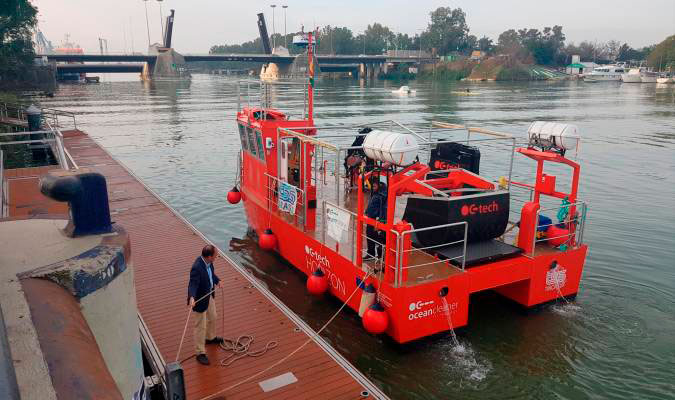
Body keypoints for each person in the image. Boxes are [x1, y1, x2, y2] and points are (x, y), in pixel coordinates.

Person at [187, 244, 223, 365]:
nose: (216, 257)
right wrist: (192, 297)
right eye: (215, 255)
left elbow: (211, 274)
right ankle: (200, 352)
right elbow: (193, 284)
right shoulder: (197, 267)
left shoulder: (209, 263)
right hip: (200, 300)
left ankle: (210, 338)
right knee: (200, 326)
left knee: (213, 317)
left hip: (209, 295)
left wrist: (217, 281)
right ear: (209, 256)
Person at [365, 179, 387, 260]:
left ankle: (378, 256)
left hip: (376, 220)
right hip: (371, 218)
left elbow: (383, 209)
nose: (372, 188)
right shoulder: (376, 193)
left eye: (374, 186)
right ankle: (372, 254)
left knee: (377, 238)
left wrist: (380, 220)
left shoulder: (381, 196)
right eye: (372, 187)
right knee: (370, 236)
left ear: (378, 185)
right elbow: (372, 204)